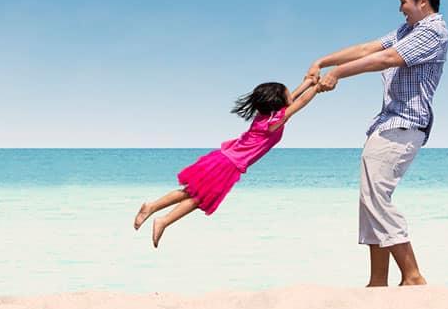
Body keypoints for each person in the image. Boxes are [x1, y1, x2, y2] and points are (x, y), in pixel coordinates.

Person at [306, 0, 448, 287]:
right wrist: (323, 60)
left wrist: (338, 74)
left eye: (403, 1)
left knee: (376, 198)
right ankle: (378, 281)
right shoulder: (409, 30)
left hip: (404, 123)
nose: (400, 8)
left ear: (422, 1)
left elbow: (387, 58)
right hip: (388, 122)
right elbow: (367, 48)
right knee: (369, 199)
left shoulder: (432, 31)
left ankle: (412, 276)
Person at [134, 80, 318, 248]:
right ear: (278, 102)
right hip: (228, 165)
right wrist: (317, 88)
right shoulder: (274, 122)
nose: (290, 95)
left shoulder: (268, 116)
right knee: (199, 199)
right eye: (287, 92)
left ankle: (151, 207)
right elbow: (298, 103)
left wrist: (308, 82)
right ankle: (163, 220)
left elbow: (292, 100)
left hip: (223, 159)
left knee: (191, 191)